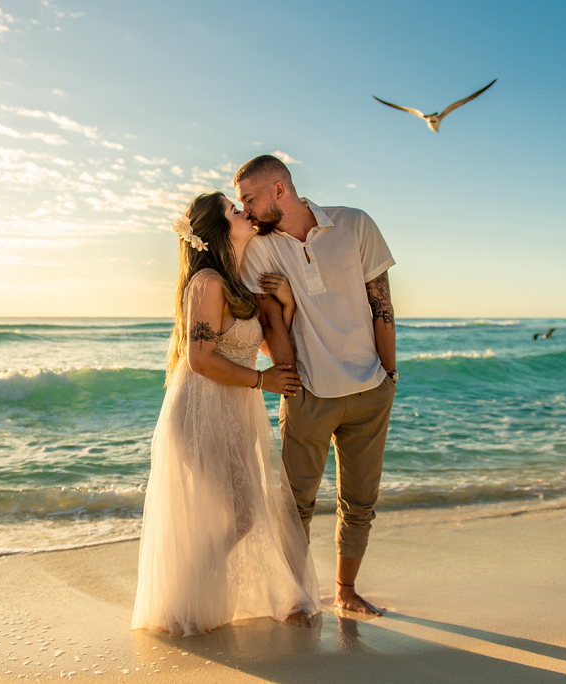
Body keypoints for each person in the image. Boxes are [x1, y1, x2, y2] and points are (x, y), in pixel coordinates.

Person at [131, 191, 320, 637]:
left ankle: (206, 599)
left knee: (242, 508)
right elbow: (199, 359)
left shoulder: (236, 283)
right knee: (241, 512)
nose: (245, 212)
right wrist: (262, 381)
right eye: (235, 210)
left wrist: (288, 305)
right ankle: (183, 598)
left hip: (233, 408)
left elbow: (259, 347)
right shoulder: (208, 283)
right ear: (219, 230)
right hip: (201, 408)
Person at [234, 155, 397, 617]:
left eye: (250, 198)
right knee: (294, 506)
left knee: (361, 501)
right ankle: (297, 596)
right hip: (308, 396)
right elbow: (267, 332)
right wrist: (291, 381)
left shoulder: (355, 224)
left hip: (370, 392)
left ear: (279, 190)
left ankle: (346, 591)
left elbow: (381, 301)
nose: (245, 209)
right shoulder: (260, 250)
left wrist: (389, 373)